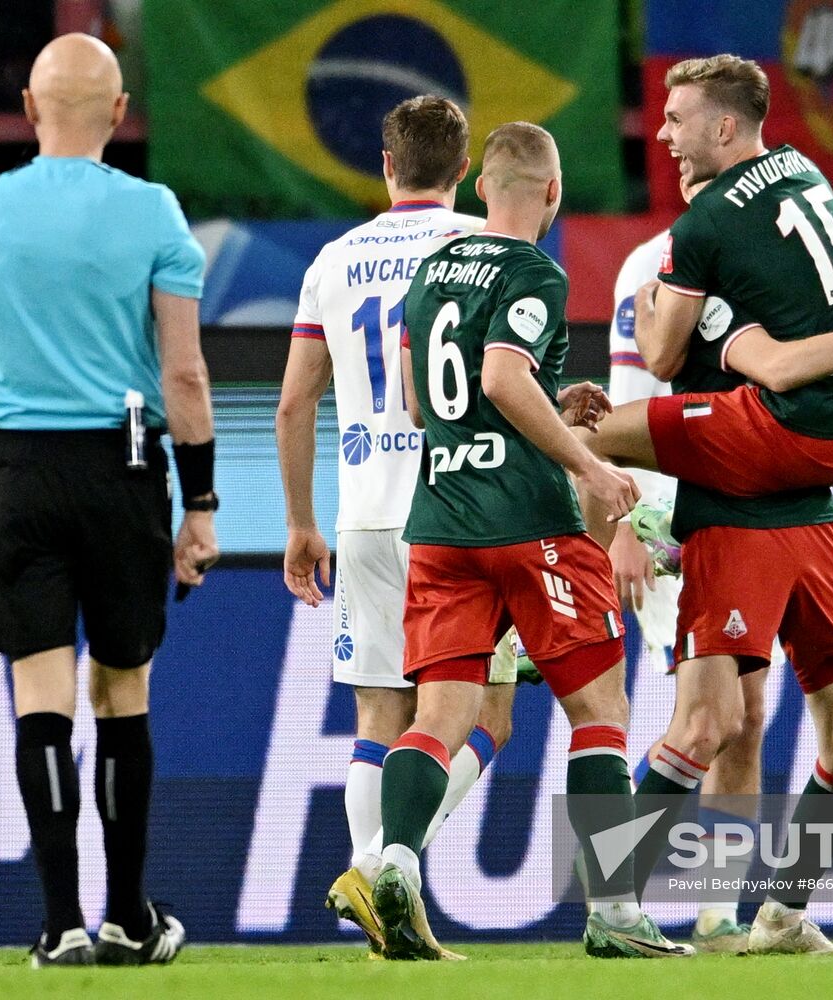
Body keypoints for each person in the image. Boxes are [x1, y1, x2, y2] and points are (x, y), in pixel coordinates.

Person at [606, 54, 833, 956]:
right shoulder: (796, 176)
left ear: (724, 127)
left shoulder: (706, 236)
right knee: (710, 723)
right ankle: (612, 902)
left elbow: (674, 351)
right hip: (736, 504)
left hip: (800, 491)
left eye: (679, 117)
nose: (664, 134)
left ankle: (778, 912)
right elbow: (731, 357)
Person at [0, 33, 216, 968]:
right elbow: (185, 372)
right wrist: (199, 503)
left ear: (30, 110)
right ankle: (129, 914)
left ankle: (60, 924)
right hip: (122, 470)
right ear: (120, 113)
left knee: (39, 697)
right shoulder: (154, 212)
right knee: (123, 693)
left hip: (13, 472)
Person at [369, 121, 690, 961]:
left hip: (441, 521)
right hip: (530, 523)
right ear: (552, 192)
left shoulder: (432, 271)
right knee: (600, 708)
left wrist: (556, 400)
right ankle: (615, 913)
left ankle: (394, 859)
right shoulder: (535, 273)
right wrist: (585, 463)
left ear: (482, 186)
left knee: (440, 716)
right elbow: (503, 376)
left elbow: (416, 400)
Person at [277, 94, 516, 956]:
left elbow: (295, 401)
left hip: (365, 515)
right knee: (486, 711)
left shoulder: (335, 260)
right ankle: (385, 864)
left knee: (382, 713)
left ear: (384, 165)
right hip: (464, 510)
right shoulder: (484, 250)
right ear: (463, 173)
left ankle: (370, 883)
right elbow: (502, 383)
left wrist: (303, 523)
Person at [606, 175, 772, 954]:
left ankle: (715, 913)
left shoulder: (763, 257)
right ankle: (616, 893)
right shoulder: (650, 266)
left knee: (746, 720)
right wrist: (627, 526)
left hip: (745, 519)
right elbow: (626, 402)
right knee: (709, 719)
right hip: (674, 526)